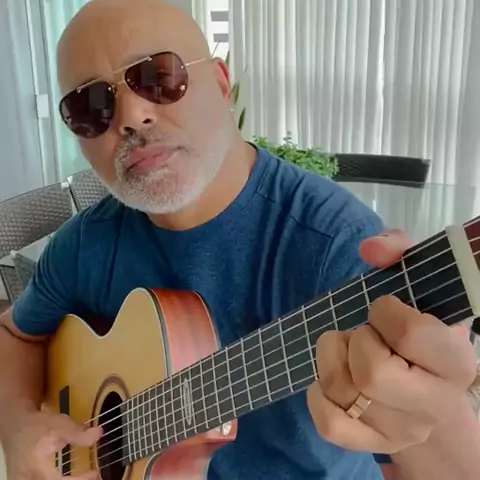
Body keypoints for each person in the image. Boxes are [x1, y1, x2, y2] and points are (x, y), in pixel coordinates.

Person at [0, 0, 479, 479]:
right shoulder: (84, 244)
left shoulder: (338, 245)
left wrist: (428, 422)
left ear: (221, 83)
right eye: (90, 107)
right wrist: (19, 427)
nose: (131, 116)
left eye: (157, 77)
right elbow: (14, 335)